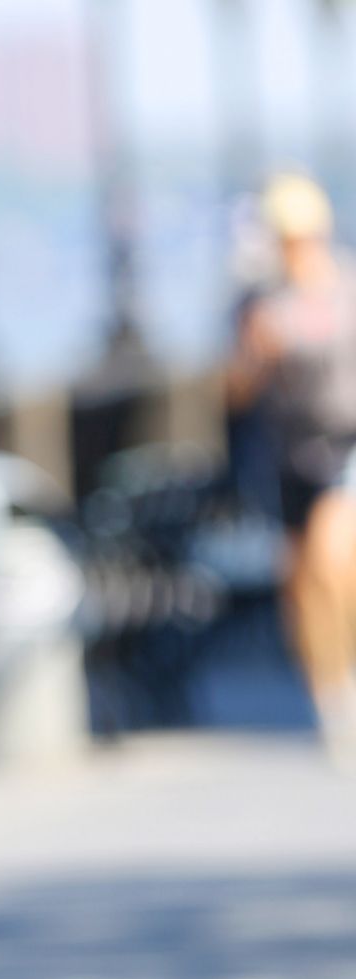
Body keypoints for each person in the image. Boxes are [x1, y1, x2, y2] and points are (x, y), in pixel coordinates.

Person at [226, 171, 356, 762]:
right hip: (286, 454)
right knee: (301, 585)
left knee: (335, 562)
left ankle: (346, 683)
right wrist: (254, 353)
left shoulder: (346, 288)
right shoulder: (260, 303)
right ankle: (328, 695)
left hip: (344, 442)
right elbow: (234, 393)